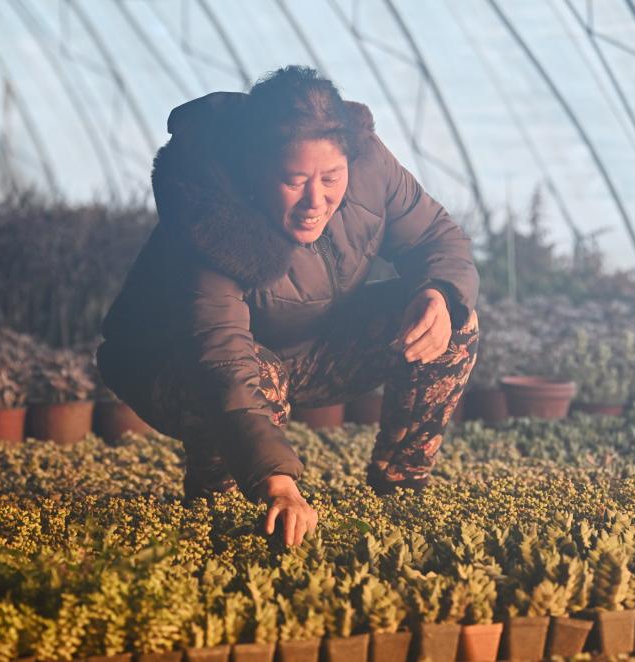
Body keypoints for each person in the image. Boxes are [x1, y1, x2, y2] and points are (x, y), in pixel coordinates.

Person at [97, 66, 479, 548]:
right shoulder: (211, 216)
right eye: (294, 181)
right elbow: (221, 360)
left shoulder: (369, 163)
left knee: (450, 315)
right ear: (256, 169)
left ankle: (399, 486)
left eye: (331, 177)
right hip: (180, 364)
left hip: (307, 344)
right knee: (256, 382)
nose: (315, 200)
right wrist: (277, 482)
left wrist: (438, 292)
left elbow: (436, 237)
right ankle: (216, 504)